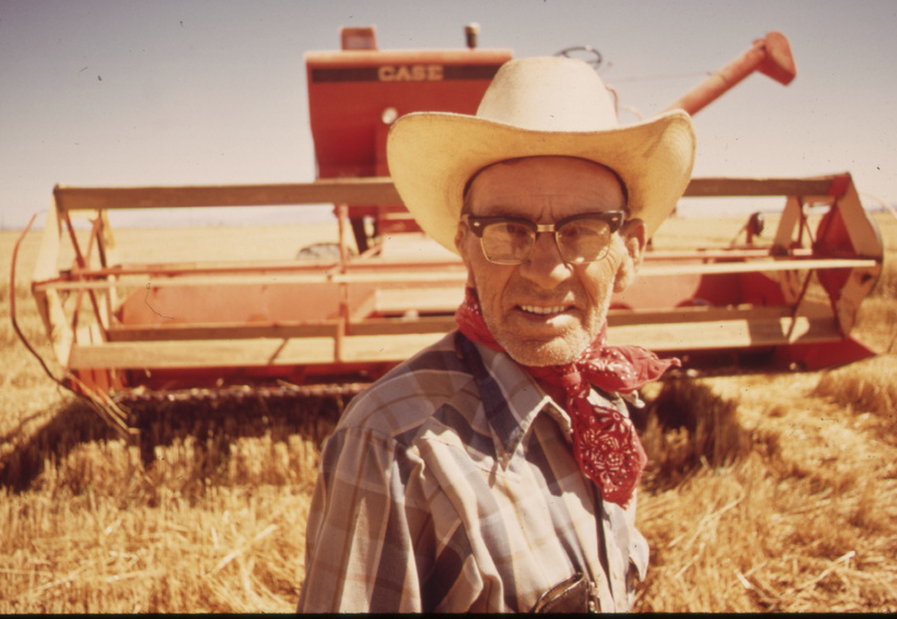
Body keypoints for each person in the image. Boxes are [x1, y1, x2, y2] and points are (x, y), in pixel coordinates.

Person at [296, 56, 696, 613]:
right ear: (464, 242)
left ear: (630, 251)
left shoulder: (598, 397)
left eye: (581, 232)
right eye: (509, 230)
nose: (546, 268)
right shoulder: (393, 447)